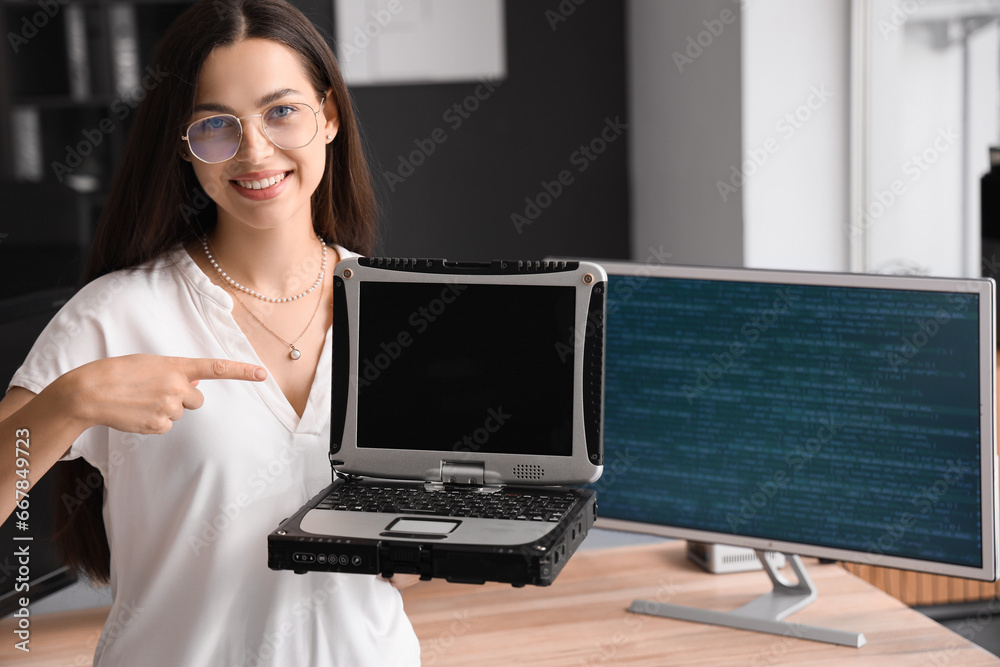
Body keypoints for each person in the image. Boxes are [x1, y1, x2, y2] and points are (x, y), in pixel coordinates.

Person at [0, 0, 422, 664]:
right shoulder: (115, 314)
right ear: (183, 145)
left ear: (330, 117)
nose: (254, 151)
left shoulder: (407, 308)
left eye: (282, 110)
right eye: (215, 125)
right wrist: (69, 402)